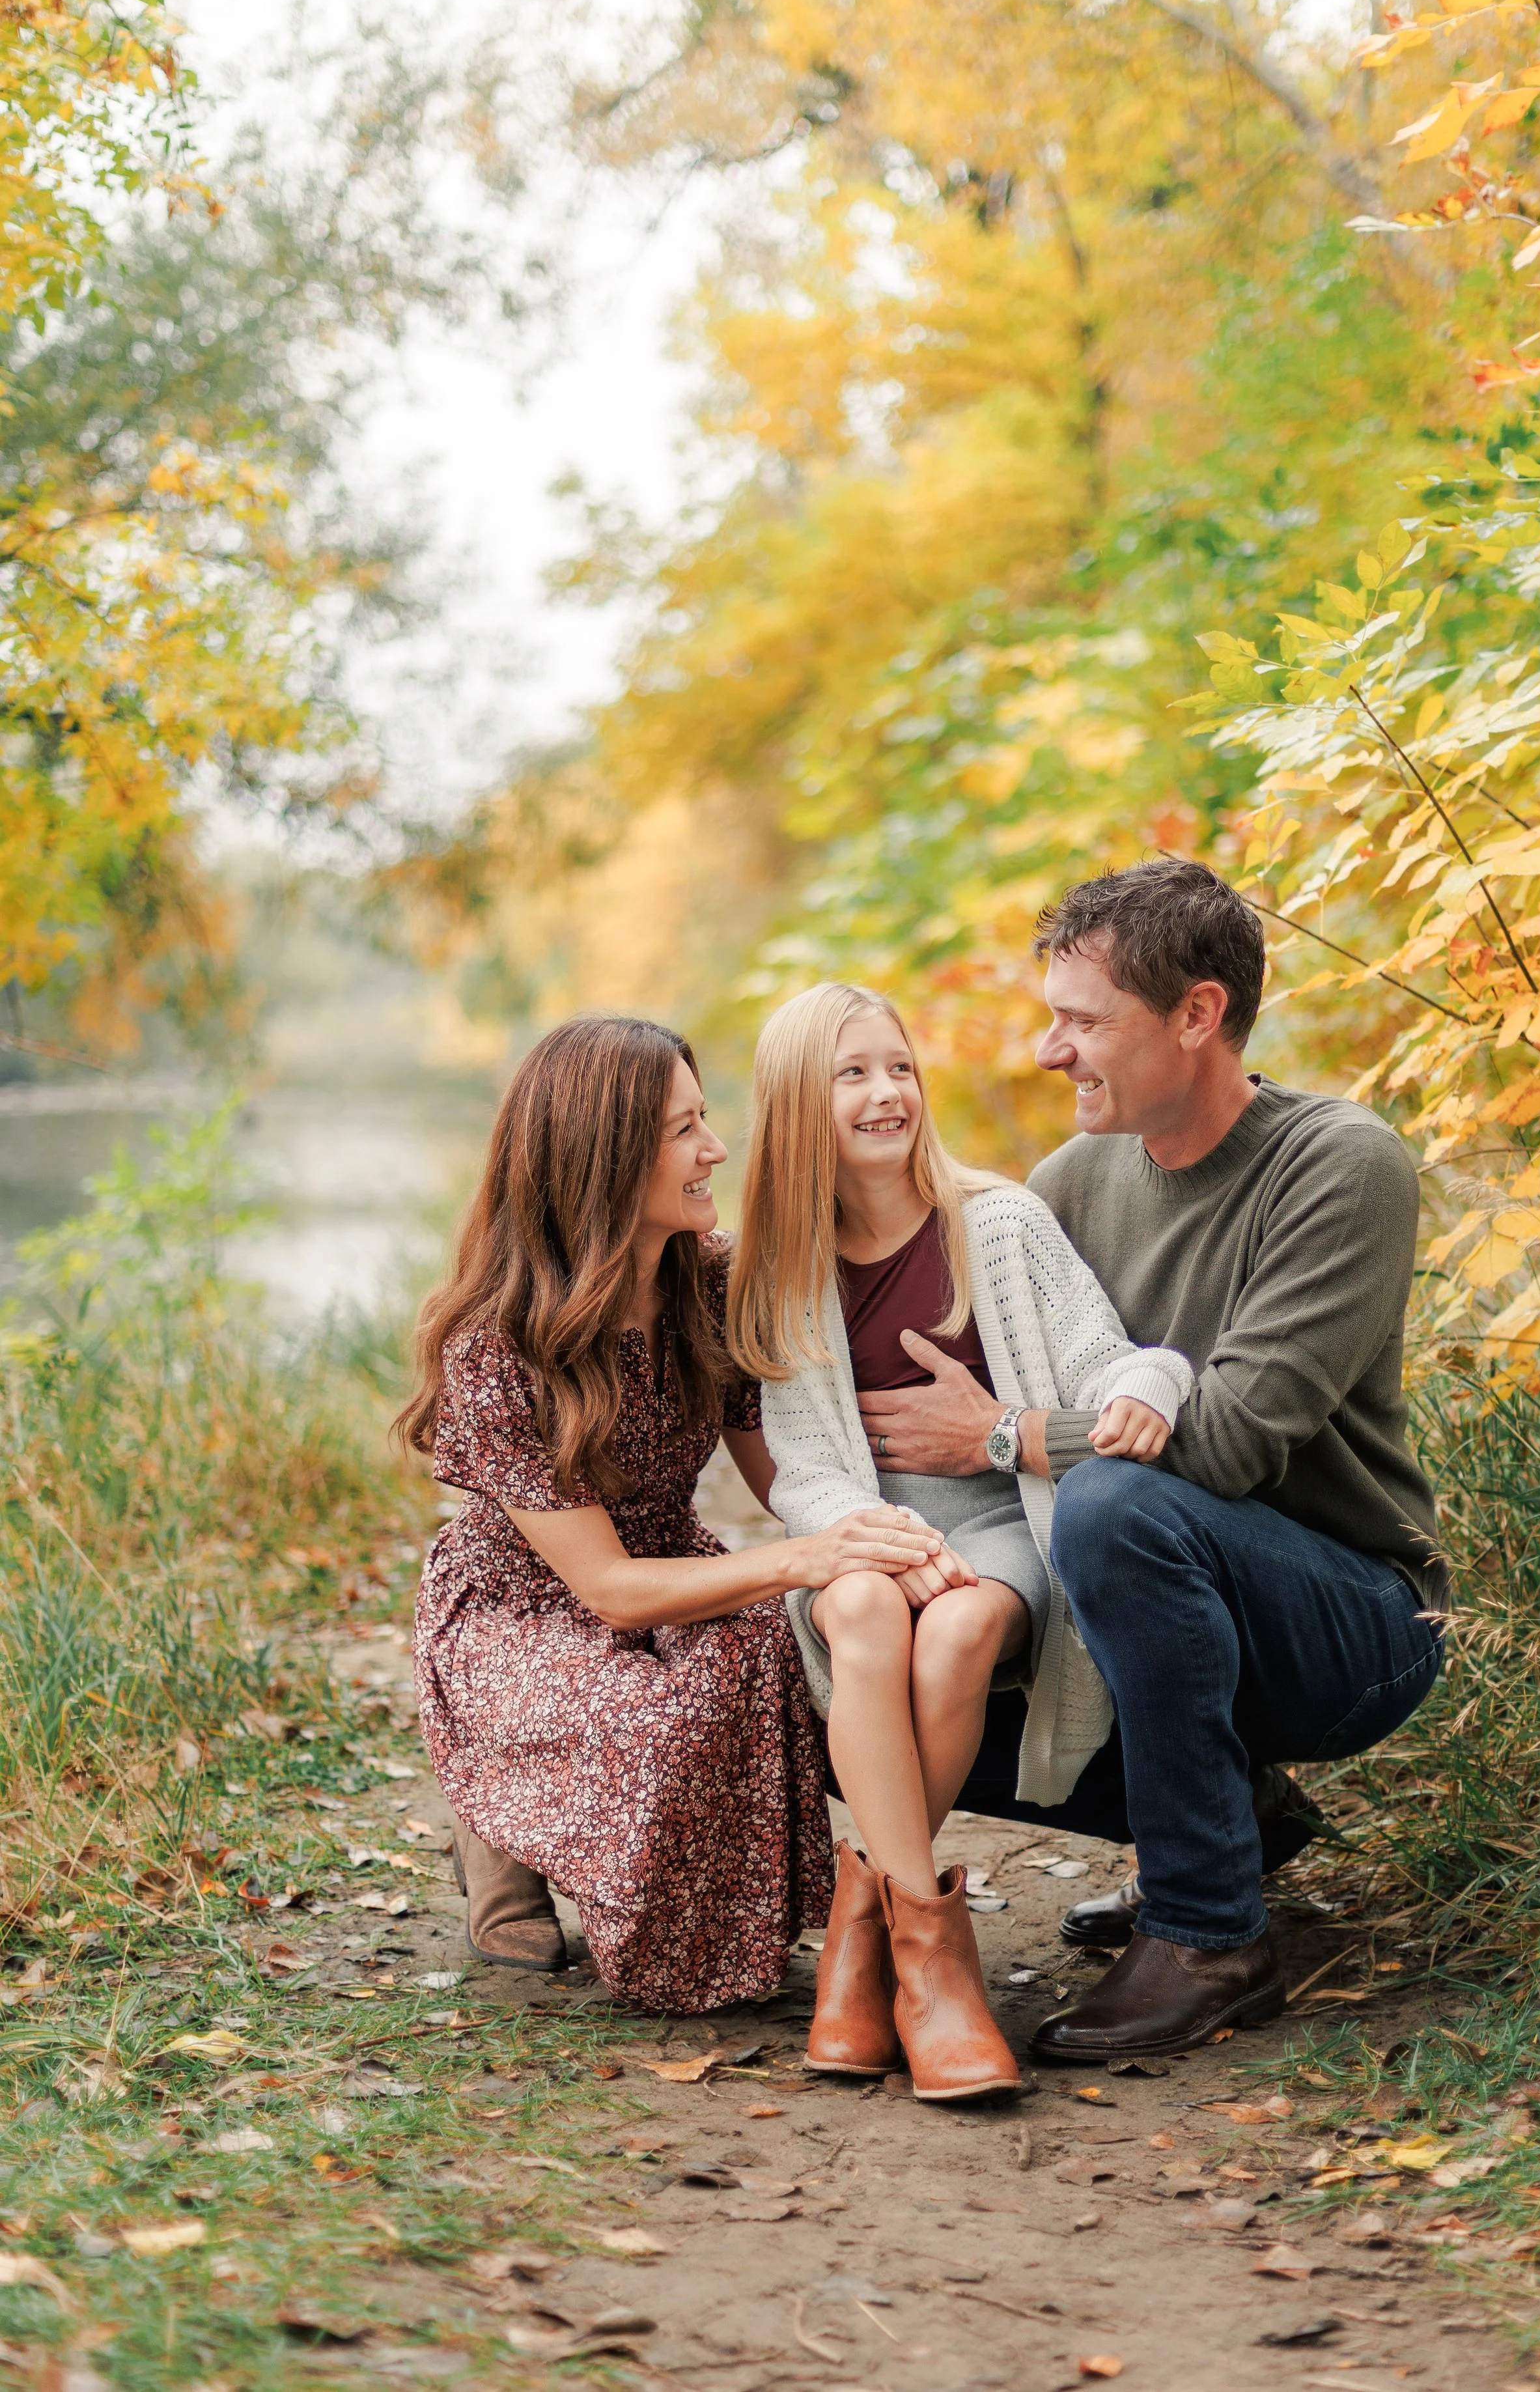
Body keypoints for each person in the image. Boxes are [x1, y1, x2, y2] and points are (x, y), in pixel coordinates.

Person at [850, 858, 1447, 2061]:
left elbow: (1222, 1440)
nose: (1047, 1052)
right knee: (890, 1656)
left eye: (1082, 1021)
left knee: (1117, 1505)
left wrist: (1009, 1435)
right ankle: (1234, 1821)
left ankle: (1209, 1930)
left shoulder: (1341, 1163)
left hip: (1352, 1623)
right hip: (1154, 1609)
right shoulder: (1069, 1183)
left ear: (1197, 1014)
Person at [395, 1013, 951, 2014]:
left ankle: (727, 1925)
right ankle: (497, 1819)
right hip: (527, 1604)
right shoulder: (496, 1345)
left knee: (763, 1664)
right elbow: (606, 1590)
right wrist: (804, 1561)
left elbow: (781, 1467)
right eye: (683, 1132)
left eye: (707, 1119)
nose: (715, 1150)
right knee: (654, 1716)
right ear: (603, 1160)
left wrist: (881, 1533)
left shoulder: (711, 1277)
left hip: (674, 1563)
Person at [727, 983, 1193, 2098]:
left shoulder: (999, 1223)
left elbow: (1107, 1354)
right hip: (860, 1523)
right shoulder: (780, 1261)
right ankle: (925, 1957)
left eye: (900, 1067)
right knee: (869, 1613)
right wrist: (877, 1538)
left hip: (1000, 1517)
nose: (887, 1092)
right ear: (799, 1101)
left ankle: (872, 1934)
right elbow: (807, 1467)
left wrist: (1152, 1389)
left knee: (965, 1625)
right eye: (853, 1074)